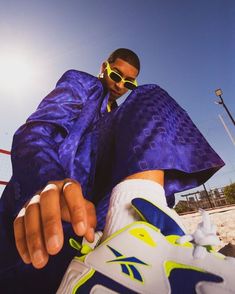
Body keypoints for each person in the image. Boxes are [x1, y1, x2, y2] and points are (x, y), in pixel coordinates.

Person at [0, 48, 224, 293]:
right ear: (103, 67)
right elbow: (36, 131)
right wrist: (47, 180)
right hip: (57, 200)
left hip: (97, 214)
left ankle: (134, 236)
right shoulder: (82, 84)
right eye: (116, 75)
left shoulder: (122, 119)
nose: (120, 85)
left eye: (128, 82)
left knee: (150, 95)